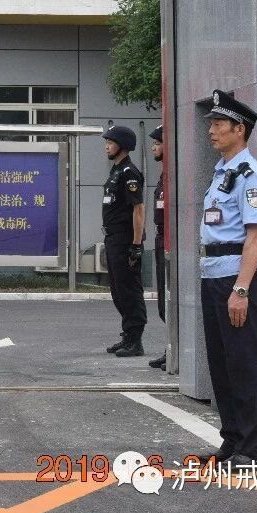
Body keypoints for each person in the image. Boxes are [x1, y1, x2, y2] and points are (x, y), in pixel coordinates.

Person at [193, 89, 257, 466]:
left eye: (219, 123)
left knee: (245, 362)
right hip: (213, 276)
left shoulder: (250, 176)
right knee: (223, 363)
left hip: (236, 280)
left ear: (239, 129)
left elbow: (255, 237)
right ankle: (234, 439)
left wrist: (241, 289)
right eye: (211, 123)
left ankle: (254, 449)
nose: (211, 130)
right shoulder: (222, 171)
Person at [101, 124, 147, 357]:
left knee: (129, 289)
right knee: (118, 290)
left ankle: (135, 341)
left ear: (123, 145)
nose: (106, 146)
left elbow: (138, 209)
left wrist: (136, 246)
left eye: (110, 142)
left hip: (125, 239)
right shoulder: (117, 170)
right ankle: (127, 335)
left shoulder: (129, 172)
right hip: (113, 238)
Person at [149, 125, 168, 369]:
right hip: (161, 237)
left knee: (170, 296)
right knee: (163, 297)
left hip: (170, 239)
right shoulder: (164, 174)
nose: (154, 147)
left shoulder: (173, 174)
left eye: (157, 143)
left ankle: (174, 348)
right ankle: (170, 346)